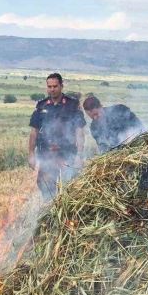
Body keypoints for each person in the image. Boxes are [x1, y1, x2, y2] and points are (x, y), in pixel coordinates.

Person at [28, 73, 85, 201]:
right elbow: (34, 132)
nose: (52, 89)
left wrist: (79, 155)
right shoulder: (41, 106)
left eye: (55, 86)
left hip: (66, 154)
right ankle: (49, 212)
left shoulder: (72, 105)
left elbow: (79, 131)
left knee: (68, 187)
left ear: (61, 86)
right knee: (45, 185)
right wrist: (31, 154)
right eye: (49, 86)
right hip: (46, 155)